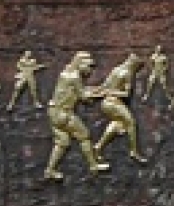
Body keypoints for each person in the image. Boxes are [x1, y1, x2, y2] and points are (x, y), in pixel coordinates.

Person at [44, 51, 110, 180]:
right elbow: (83, 97)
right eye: (89, 66)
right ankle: (93, 165)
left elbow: (80, 92)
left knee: (62, 142)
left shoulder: (66, 74)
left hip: (53, 112)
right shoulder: (74, 77)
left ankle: (49, 170)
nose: (90, 70)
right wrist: (102, 92)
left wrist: (96, 90)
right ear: (80, 64)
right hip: (64, 113)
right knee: (84, 136)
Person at [96, 53, 147, 163]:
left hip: (106, 103)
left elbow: (104, 85)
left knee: (118, 123)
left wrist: (97, 91)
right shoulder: (127, 73)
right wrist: (110, 92)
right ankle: (134, 151)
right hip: (114, 103)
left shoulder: (115, 69)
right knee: (131, 122)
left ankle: (99, 147)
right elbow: (126, 94)